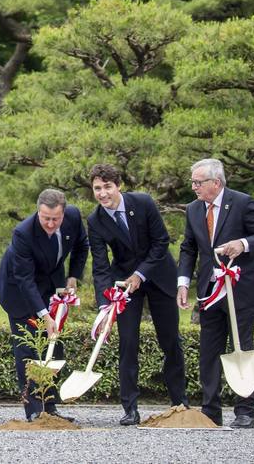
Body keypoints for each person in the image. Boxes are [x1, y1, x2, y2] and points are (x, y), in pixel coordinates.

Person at [177, 157, 254, 429]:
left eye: (198, 182)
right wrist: (183, 282)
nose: (194, 187)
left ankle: (245, 411)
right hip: (210, 291)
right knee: (209, 351)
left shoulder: (242, 202)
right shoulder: (193, 209)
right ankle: (210, 411)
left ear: (215, 183)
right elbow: (188, 248)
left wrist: (243, 244)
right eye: (193, 182)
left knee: (241, 348)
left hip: (241, 290)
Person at [86, 163, 188, 425]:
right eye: (97, 188)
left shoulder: (142, 203)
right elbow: (100, 266)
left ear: (118, 185)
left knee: (170, 341)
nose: (103, 193)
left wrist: (140, 275)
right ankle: (130, 408)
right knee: (128, 343)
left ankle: (180, 403)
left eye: (107, 187)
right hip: (124, 285)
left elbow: (161, 242)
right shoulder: (95, 220)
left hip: (158, 275)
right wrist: (105, 303)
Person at [0, 188, 89, 421]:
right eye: (45, 218)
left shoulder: (74, 217)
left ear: (64, 214)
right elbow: (25, 280)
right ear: (38, 211)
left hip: (51, 282)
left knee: (54, 346)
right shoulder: (23, 233)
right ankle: (35, 410)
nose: (49, 223)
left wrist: (73, 276)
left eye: (55, 219)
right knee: (29, 349)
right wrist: (44, 315)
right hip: (18, 290)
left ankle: (51, 406)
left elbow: (81, 245)